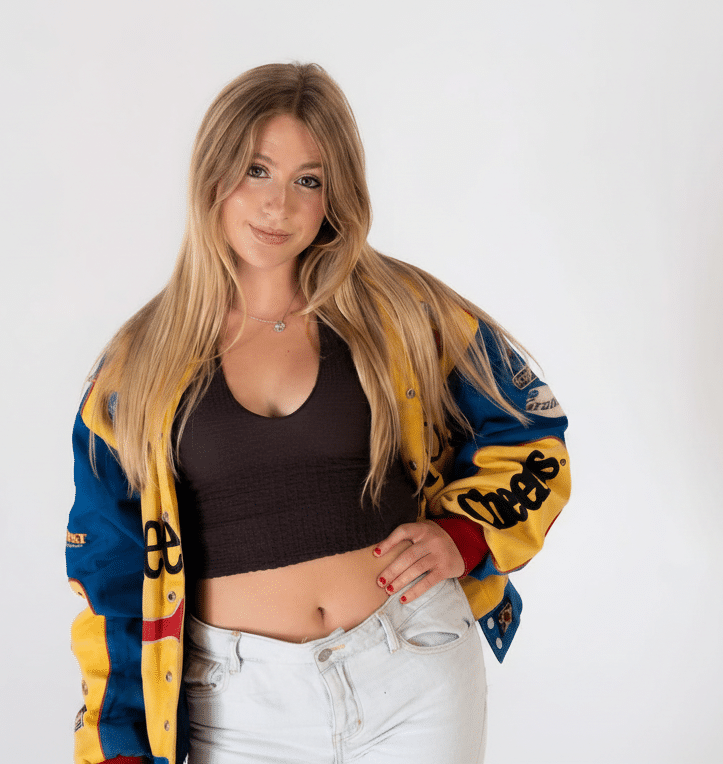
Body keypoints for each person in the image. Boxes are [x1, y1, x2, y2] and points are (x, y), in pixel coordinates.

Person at [65, 62, 571, 764]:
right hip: (234, 710)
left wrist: (463, 534)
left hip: (414, 669)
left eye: (309, 179)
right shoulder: (134, 369)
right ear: (211, 174)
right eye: (256, 171)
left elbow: (529, 429)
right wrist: (119, 749)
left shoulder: (403, 311)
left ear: (337, 196)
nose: (279, 206)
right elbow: (112, 578)